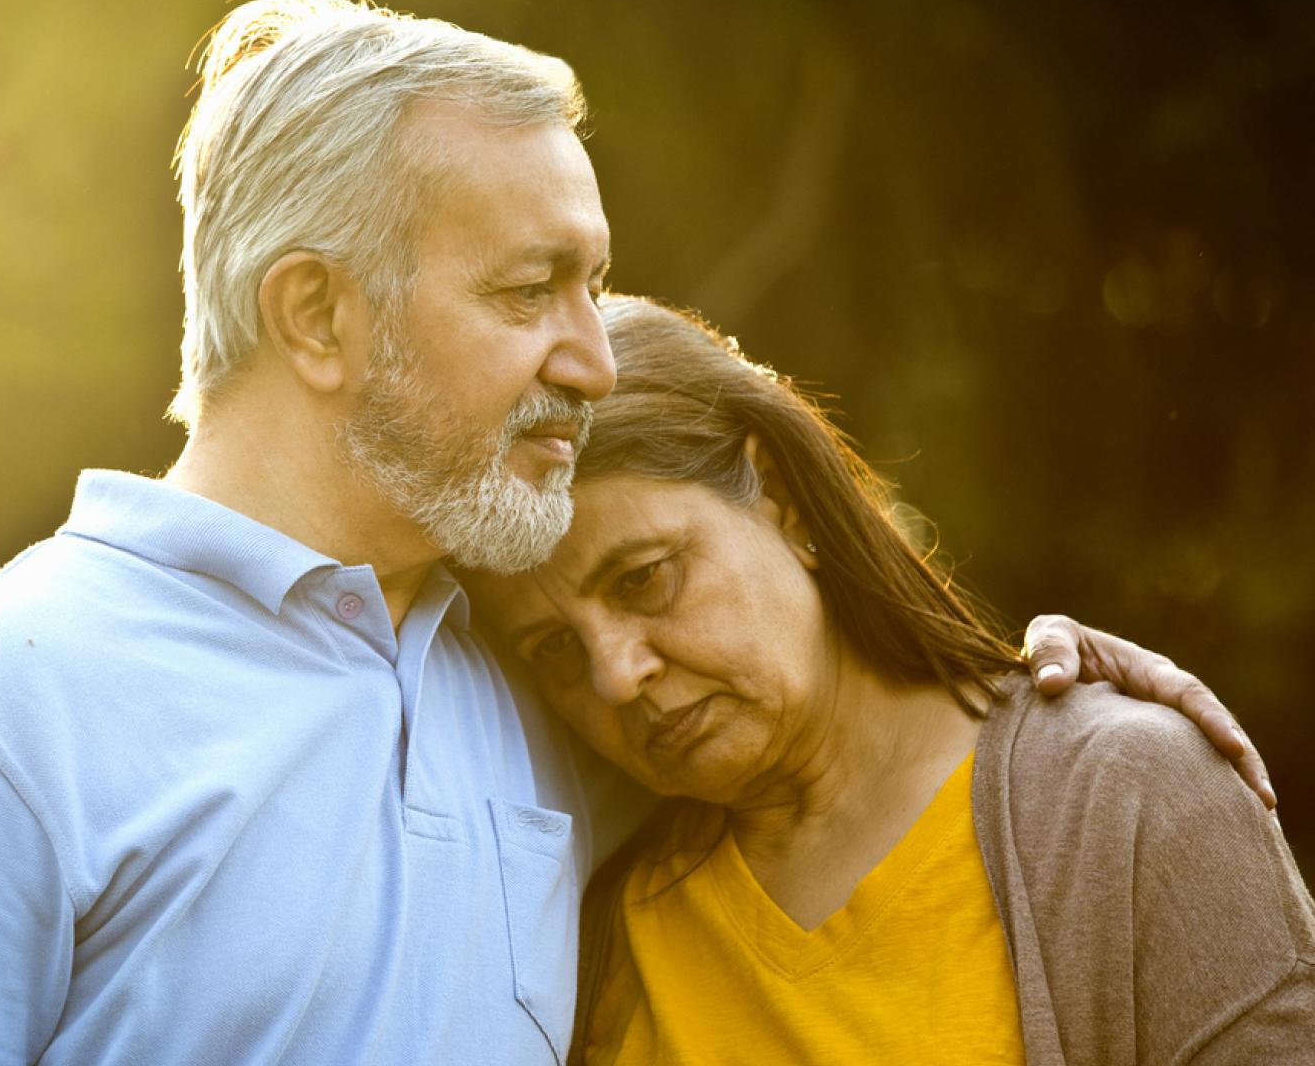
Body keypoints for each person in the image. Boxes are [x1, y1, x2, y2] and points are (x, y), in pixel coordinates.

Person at [0, 0, 1266, 1064]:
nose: (592, 358)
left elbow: (846, 737)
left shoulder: (531, 685)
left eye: (589, 284)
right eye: (527, 290)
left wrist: (1068, 702)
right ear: (319, 315)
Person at [469, 295, 1315, 1065]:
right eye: (554, 649)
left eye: (644, 578)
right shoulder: (589, 911)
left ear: (783, 498)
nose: (616, 677)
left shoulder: (1128, 799)